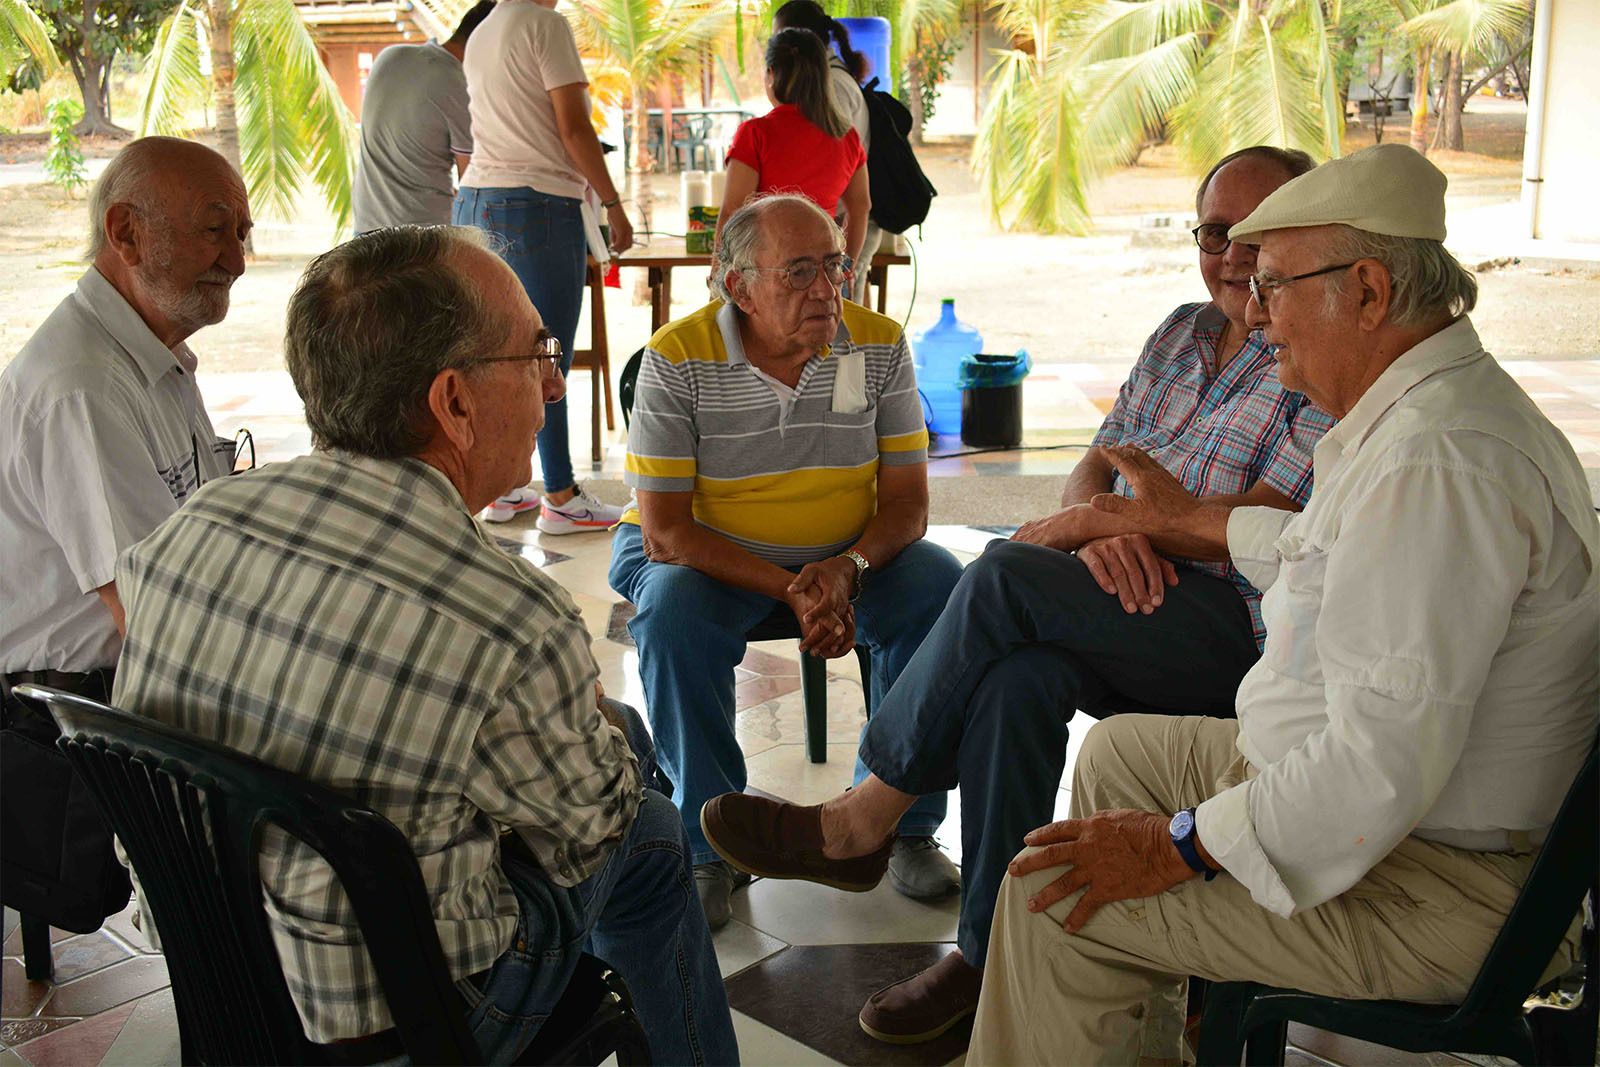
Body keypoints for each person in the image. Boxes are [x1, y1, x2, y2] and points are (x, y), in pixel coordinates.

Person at [958, 143, 1599, 1063]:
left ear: (1369, 292)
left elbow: (1374, 767)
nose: (1258, 321)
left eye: (1276, 289)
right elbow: (1319, 551)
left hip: (1440, 882)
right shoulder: (1422, 410)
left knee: (1051, 893)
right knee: (1115, 753)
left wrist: (1179, 844)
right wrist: (1193, 524)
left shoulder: (1436, 462)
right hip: (1404, 825)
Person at [698, 147, 1339, 1044]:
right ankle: (987, 954)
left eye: (1252, 231)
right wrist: (1102, 523)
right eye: (1212, 231)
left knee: (999, 572)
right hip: (1117, 593)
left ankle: (863, 817)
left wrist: (1108, 527)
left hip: (1232, 623)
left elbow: (1271, 520)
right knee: (1018, 678)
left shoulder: (1315, 343)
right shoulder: (1181, 333)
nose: (1230, 253)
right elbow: (1098, 463)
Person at [110, 226, 738, 1065]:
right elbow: (592, 831)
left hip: (220, 968)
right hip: (405, 1025)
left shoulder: (193, 527)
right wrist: (612, 737)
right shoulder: (510, 618)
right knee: (651, 828)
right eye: (537, 352)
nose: (554, 382)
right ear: (453, 401)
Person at [610, 194, 964, 930]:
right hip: (709, 558)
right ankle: (710, 840)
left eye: (835, 267)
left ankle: (900, 822)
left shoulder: (877, 346)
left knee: (938, 584)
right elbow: (666, 532)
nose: (826, 290)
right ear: (736, 285)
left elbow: (907, 504)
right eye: (800, 271)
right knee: (671, 610)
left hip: (843, 559)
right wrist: (796, 589)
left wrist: (848, 568)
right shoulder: (679, 358)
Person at [1, 135, 249, 712]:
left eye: (241, 233)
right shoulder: (84, 389)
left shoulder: (148, 353)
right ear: (127, 233)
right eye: (214, 231)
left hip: (122, 699)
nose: (236, 261)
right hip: (74, 730)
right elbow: (153, 619)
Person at [455, 0, 634, 533]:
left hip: (476, 200)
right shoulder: (544, 25)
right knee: (547, 354)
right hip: (534, 205)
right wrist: (614, 203)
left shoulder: (485, 28)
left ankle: (505, 488)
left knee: (497, 352)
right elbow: (575, 130)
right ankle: (559, 494)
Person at [716, 28, 870, 269]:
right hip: (822, 270)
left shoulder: (756, 133)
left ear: (771, 74)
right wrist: (846, 266)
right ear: (823, 76)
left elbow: (732, 212)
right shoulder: (846, 136)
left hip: (769, 269)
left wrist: (719, 275)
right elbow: (861, 207)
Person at [351, 1, 495, 234]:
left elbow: (410, 156)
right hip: (420, 240)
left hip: (366, 229)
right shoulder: (457, 86)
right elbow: (473, 187)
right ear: (487, 46)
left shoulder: (390, 56)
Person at [769, 0, 880, 302]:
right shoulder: (828, 84)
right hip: (833, 233)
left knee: (843, 324)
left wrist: (845, 264)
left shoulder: (834, 89)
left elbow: (854, 198)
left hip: (841, 232)